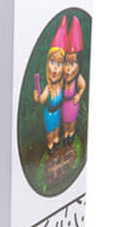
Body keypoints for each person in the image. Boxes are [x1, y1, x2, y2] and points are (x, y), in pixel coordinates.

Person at [34, 16, 67, 155]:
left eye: (59, 64)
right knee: (50, 132)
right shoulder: (48, 87)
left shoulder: (61, 83)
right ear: (48, 63)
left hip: (57, 112)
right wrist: (37, 95)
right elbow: (42, 100)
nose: (55, 68)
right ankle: (50, 146)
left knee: (57, 130)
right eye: (52, 62)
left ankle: (56, 142)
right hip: (49, 113)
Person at [62, 16, 86, 145]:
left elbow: (83, 85)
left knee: (71, 121)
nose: (68, 68)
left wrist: (79, 95)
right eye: (66, 63)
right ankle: (66, 133)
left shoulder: (77, 79)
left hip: (73, 104)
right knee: (65, 121)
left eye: (72, 64)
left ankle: (71, 133)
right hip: (64, 105)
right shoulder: (62, 79)